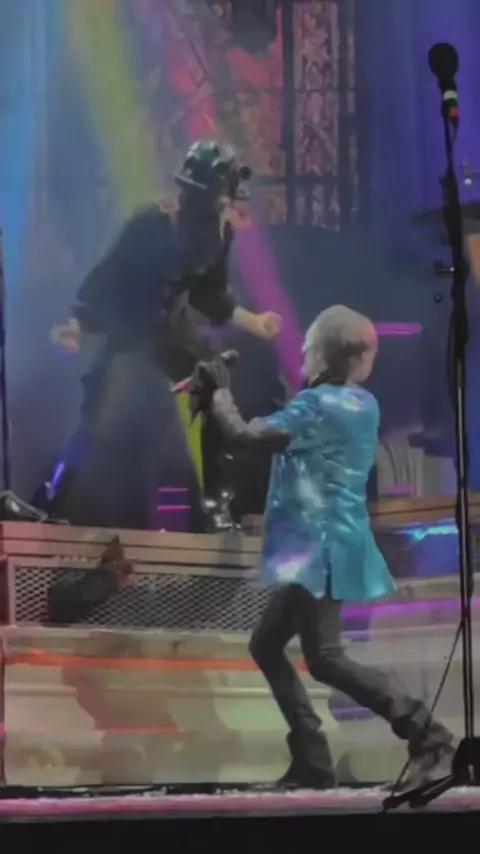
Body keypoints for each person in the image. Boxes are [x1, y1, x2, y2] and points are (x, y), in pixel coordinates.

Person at [189, 304, 454, 789]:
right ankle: (313, 759)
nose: (302, 358)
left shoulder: (318, 405)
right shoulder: (361, 403)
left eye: (308, 349)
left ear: (322, 355)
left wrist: (221, 391)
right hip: (328, 545)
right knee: (268, 644)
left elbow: (245, 436)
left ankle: (429, 736)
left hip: (319, 549)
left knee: (325, 657)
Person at [46, 140, 282, 530]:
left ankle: (214, 501)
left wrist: (255, 322)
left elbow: (211, 295)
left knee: (216, 391)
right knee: (99, 419)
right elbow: (106, 277)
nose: (215, 206)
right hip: (130, 333)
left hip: (174, 335)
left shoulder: (219, 232)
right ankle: (54, 499)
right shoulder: (149, 224)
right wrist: (77, 325)